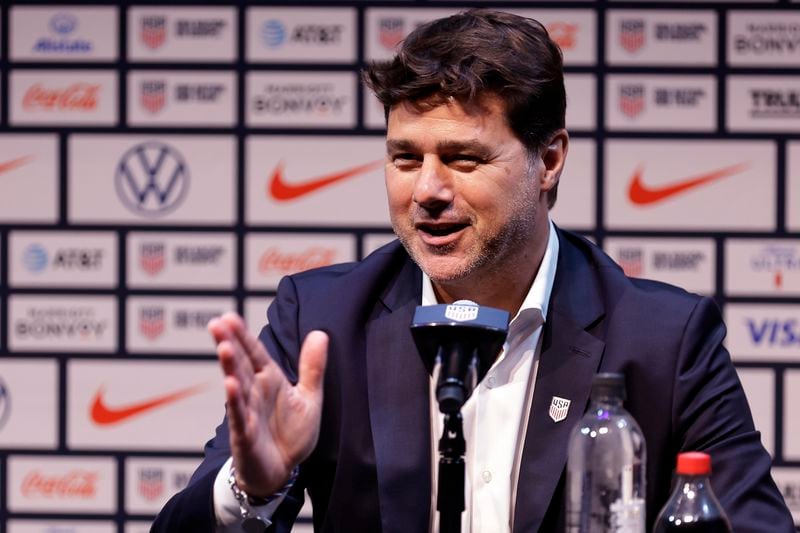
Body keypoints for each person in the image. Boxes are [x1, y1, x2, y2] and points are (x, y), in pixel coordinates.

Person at [152, 9, 794, 533]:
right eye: (405, 158)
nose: (427, 189)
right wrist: (249, 490)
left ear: (549, 161)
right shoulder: (322, 322)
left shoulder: (664, 337)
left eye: (463, 158)